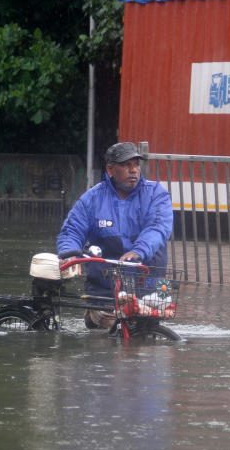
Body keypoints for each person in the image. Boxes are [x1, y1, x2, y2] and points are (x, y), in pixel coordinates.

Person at [57, 141, 173, 329]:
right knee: (105, 340)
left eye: (136, 164)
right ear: (110, 170)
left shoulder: (157, 194)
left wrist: (139, 250)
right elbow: (72, 230)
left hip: (148, 286)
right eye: (126, 165)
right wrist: (70, 254)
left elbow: (159, 227)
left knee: (148, 341)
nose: (134, 170)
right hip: (104, 290)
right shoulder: (92, 199)